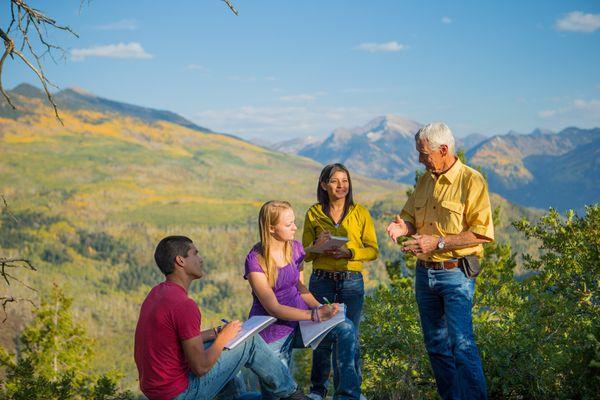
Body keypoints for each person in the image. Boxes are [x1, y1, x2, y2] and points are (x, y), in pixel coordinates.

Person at [386, 122, 494, 400]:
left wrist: (438, 242)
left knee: (461, 345)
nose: (420, 159)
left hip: (456, 274)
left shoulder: (472, 181)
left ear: (443, 150)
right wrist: (402, 228)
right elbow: (409, 218)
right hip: (425, 275)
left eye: (424, 154)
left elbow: (482, 233)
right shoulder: (424, 180)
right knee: (436, 347)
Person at [134, 235, 309, 400]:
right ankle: (291, 393)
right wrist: (224, 338)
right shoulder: (183, 305)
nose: (200, 259)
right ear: (180, 261)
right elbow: (200, 367)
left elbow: (177, 340)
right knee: (249, 341)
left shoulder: (157, 293)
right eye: (195, 254)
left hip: (158, 390)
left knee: (224, 345)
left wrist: (217, 333)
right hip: (180, 393)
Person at [244, 201, 362, 400]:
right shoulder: (255, 260)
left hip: (301, 324)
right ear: (272, 228)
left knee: (346, 328)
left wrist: (321, 308)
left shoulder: (295, 248)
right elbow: (273, 308)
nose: (295, 228)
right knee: (276, 396)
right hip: (273, 331)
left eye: (294, 222)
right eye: (289, 224)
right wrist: (314, 314)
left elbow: (300, 288)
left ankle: (347, 396)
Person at [302, 163, 378, 400]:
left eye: (345, 180)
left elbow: (373, 250)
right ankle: (318, 390)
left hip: (351, 282)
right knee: (322, 334)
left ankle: (349, 392)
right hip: (321, 281)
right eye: (335, 181)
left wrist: (349, 252)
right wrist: (319, 247)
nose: (341, 185)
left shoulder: (360, 212)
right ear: (324, 185)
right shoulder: (313, 214)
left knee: (350, 337)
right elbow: (304, 254)